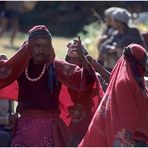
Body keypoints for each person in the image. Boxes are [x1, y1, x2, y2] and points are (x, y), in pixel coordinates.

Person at [0, 25, 100, 147]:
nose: (41, 50)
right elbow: (3, 73)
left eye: (46, 46)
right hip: (24, 128)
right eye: (37, 46)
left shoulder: (56, 67)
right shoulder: (21, 66)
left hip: (48, 129)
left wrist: (83, 58)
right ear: (29, 46)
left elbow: (86, 79)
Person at [79, 43, 148, 147]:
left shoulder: (132, 80)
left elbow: (112, 80)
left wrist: (95, 64)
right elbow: (126, 118)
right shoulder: (127, 83)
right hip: (132, 141)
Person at [59, 40, 104, 146]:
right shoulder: (63, 74)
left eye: (79, 59)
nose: (74, 63)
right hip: (68, 121)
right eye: (71, 60)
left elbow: (88, 74)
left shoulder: (90, 75)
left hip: (86, 122)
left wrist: (85, 59)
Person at [0, 54, 17, 147]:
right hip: (3, 128)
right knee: (4, 137)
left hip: (9, 126)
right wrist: (7, 119)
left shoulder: (11, 85)